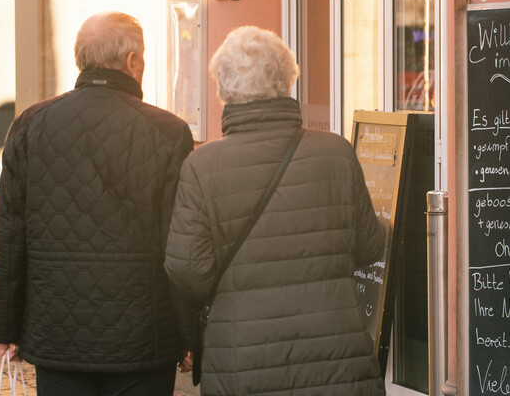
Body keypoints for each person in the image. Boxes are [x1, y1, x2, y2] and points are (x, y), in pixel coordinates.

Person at [164, 26, 386, 395]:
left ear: (223, 90)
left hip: (243, 362)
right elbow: (369, 248)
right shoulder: (336, 152)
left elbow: (187, 270)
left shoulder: (202, 166)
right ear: (287, 82)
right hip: (336, 361)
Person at [0, 11, 194, 396]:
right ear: (133, 61)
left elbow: (11, 233)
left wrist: (5, 327)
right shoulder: (168, 132)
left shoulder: (29, 125)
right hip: (143, 339)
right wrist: (188, 334)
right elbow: (177, 243)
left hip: (57, 336)